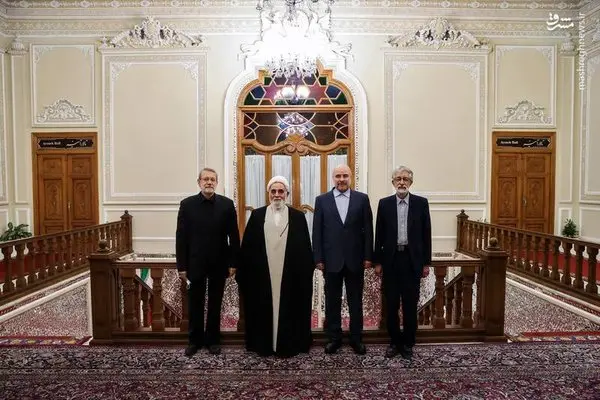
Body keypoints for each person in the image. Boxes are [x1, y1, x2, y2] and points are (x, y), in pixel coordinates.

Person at [236, 176, 314, 357]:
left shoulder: (298, 217)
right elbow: (248, 248)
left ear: (287, 194)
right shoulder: (257, 216)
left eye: (281, 191)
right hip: (263, 275)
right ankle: (263, 345)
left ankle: (288, 344)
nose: (277, 195)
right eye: (273, 191)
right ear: (268, 194)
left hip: (290, 275)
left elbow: (304, 249)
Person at [176, 168, 240, 357]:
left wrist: (233, 263)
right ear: (199, 182)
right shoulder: (187, 205)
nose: (209, 182)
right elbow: (181, 237)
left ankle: (213, 340)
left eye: (212, 179)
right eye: (206, 179)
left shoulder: (227, 205)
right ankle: (194, 341)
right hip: (194, 263)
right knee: (195, 304)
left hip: (219, 263)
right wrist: (182, 266)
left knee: (215, 303)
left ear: (217, 183)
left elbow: (234, 236)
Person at [312, 164, 373, 355]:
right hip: (331, 261)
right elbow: (317, 232)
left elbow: (368, 230)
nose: (341, 179)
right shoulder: (322, 200)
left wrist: (368, 256)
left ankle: (356, 339)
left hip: (356, 260)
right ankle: (334, 338)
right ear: (333, 178)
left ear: (350, 177)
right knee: (332, 302)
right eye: (338, 176)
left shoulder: (362, 199)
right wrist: (318, 258)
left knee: (355, 302)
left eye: (345, 175)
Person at [374, 166, 432, 360]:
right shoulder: (384, 204)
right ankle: (394, 342)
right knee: (391, 305)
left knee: (409, 305)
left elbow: (426, 234)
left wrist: (426, 263)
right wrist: (378, 262)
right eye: (398, 179)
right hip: (391, 261)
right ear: (393, 182)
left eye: (405, 179)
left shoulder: (421, 203)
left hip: (412, 261)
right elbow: (379, 234)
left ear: (411, 182)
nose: (401, 182)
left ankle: (408, 342)